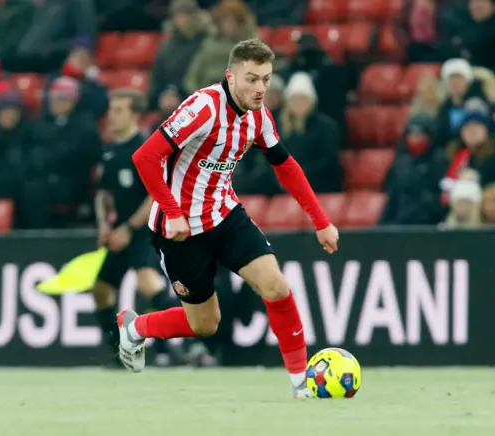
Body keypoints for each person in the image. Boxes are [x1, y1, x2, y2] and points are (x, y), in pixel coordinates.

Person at [121, 39, 339, 399]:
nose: (260, 89)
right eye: (252, 79)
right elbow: (145, 156)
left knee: (276, 286)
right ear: (231, 76)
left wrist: (320, 220)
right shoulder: (203, 108)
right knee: (204, 325)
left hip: (224, 214)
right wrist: (173, 213)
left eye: (266, 80)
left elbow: (285, 165)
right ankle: (137, 328)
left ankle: (302, 386)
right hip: (179, 230)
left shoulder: (259, 117)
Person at [92, 89, 205, 368]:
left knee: (148, 282)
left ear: (135, 115)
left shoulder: (145, 148)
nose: (112, 116)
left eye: (119, 110)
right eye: (111, 110)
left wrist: (128, 228)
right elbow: (103, 195)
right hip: (119, 233)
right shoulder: (109, 152)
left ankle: (187, 344)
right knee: (100, 289)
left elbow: (156, 193)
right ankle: (119, 349)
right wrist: (104, 225)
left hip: (146, 231)